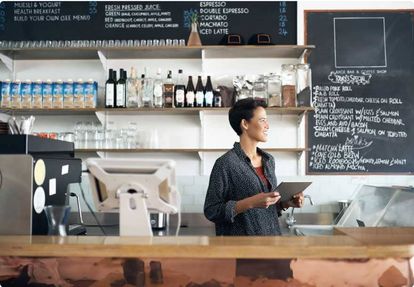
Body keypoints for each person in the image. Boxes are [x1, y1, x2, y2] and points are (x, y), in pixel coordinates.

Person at [204, 98, 304, 236]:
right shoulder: (225, 164)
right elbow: (211, 210)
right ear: (245, 124)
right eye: (262, 120)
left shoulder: (269, 161)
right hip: (243, 247)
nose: (267, 126)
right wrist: (249, 203)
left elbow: (267, 209)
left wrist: (286, 203)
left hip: (273, 241)